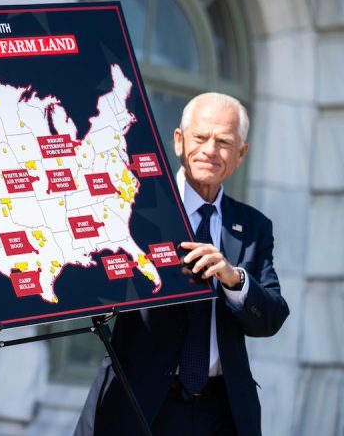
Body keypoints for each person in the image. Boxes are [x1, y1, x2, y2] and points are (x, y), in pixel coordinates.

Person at [76, 93, 289, 435]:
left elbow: (272, 317)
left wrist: (234, 280)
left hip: (222, 411)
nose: (209, 150)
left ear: (241, 154)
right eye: (200, 137)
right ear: (178, 141)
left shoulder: (253, 226)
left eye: (223, 141)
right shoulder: (132, 207)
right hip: (139, 403)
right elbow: (90, 285)